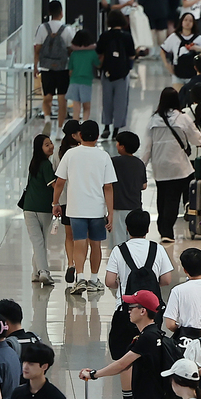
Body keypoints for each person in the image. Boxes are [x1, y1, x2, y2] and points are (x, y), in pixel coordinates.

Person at [105, 211, 174, 399]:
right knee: (150, 355)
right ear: (147, 229)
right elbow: (167, 279)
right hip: (152, 312)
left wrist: (123, 287)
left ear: (126, 229)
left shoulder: (119, 251)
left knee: (125, 357)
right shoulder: (157, 249)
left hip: (125, 311)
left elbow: (109, 281)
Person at [52, 120, 116, 295]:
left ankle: (80, 278)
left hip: (75, 208)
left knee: (79, 243)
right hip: (97, 210)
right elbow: (108, 187)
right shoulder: (103, 157)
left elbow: (59, 182)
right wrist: (110, 213)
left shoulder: (70, 155)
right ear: (97, 137)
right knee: (96, 245)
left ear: (80, 135)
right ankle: (94, 280)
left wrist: (55, 203)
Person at [141, 88, 201, 242]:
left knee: (162, 197)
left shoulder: (153, 120)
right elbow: (196, 138)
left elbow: (147, 147)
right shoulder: (182, 118)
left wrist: (141, 167)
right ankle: (168, 230)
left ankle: (163, 227)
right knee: (174, 196)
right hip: (178, 166)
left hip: (159, 167)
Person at [33, 0, 75, 127]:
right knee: (62, 99)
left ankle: (47, 119)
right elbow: (71, 50)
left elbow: (37, 49)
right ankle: (59, 129)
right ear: (61, 13)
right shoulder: (67, 30)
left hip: (46, 67)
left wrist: (36, 66)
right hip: (63, 68)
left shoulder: (42, 28)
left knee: (47, 97)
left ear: (49, 12)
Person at [94, 12, 135, 138]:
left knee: (107, 101)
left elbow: (98, 52)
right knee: (120, 102)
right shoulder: (127, 36)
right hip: (122, 74)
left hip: (107, 73)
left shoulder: (105, 36)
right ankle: (116, 129)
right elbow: (132, 55)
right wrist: (128, 66)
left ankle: (106, 126)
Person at [110, 132, 146, 247]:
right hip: (135, 207)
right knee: (135, 239)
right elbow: (144, 185)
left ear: (122, 146)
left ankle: (121, 262)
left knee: (119, 240)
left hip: (118, 206)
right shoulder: (139, 163)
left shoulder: (114, 162)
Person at [161, 13, 201, 84]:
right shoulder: (174, 37)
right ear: (181, 22)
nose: (187, 23)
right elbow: (163, 50)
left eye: (190, 21)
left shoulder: (199, 38)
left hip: (194, 75)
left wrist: (200, 49)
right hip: (177, 73)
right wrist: (166, 64)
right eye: (185, 20)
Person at [66, 29, 99, 122]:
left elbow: (70, 71)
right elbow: (98, 64)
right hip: (86, 82)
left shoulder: (74, 54)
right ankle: (84, 124)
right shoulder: (92, 53)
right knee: (87, 107)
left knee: (76, 108)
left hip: (74, 82)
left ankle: (75, 126)